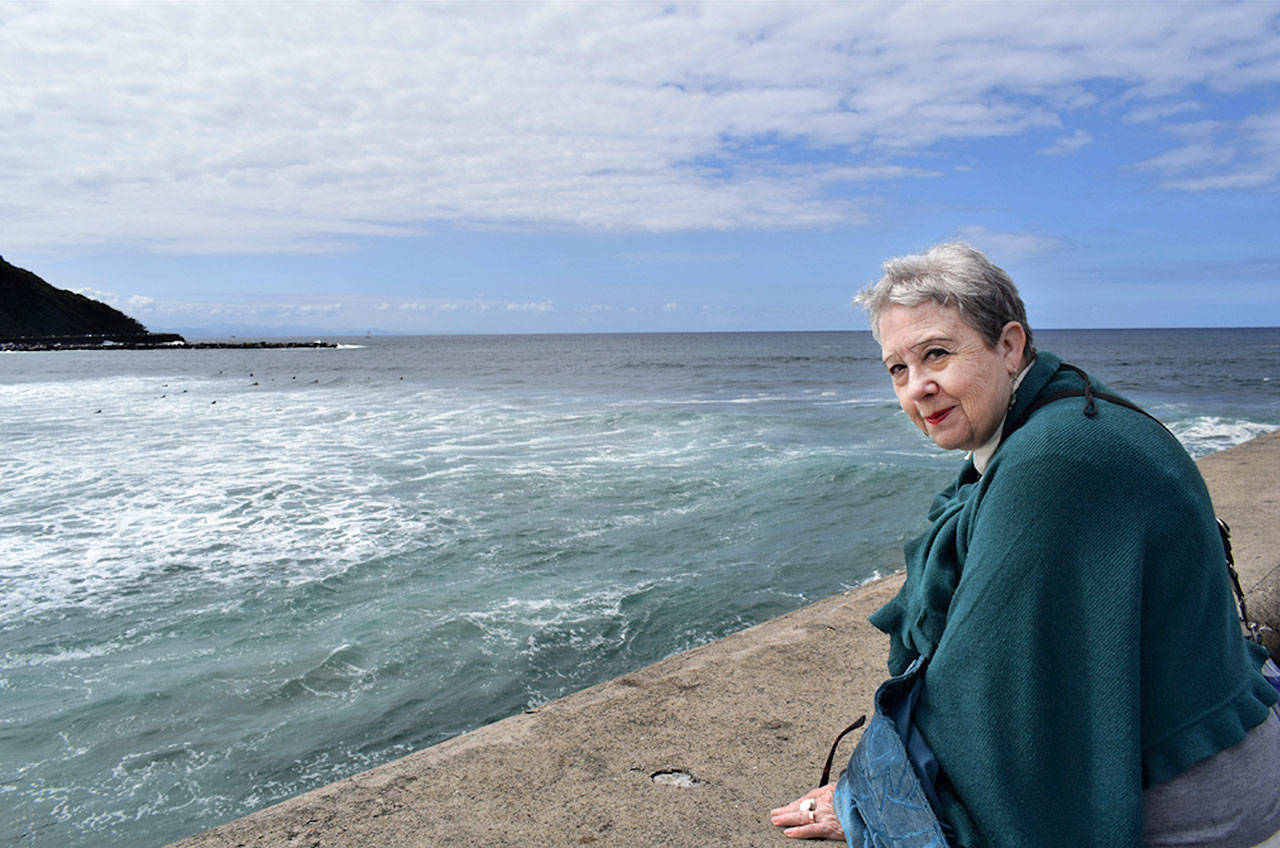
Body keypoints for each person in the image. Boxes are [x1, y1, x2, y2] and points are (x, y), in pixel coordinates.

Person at [770, 243, 1280, 847]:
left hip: (1192, 801)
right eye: (898, 369)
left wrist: (868, 801)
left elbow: (981, 694)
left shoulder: (1054, 459)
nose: (918, 388)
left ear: (1009, 346)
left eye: (937, 354)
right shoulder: (1067, 411)